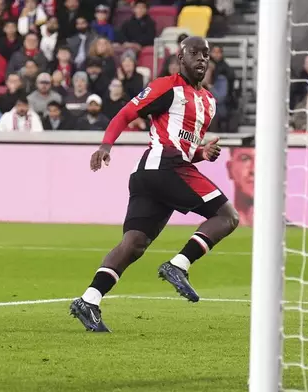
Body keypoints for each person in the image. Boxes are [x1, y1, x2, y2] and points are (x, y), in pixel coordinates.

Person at [69, 36, 240, 332]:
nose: (201, 59)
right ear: (180, 58)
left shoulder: (208, 102)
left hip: (157, 171)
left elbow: (184, 146)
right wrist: (106, 146)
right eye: (194, 54)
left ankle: (89, 299)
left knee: (134, 243)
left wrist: (202, 153)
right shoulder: (167, 86)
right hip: (163, 165)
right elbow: (126, 113)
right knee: (227, 216)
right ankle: (179, 265)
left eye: (206, 55)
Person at [226, 148, 254, 226]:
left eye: (264, 159)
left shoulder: (284, 227)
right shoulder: (209, 230)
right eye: (245, 159)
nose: (254, 169)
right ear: (229, 168)